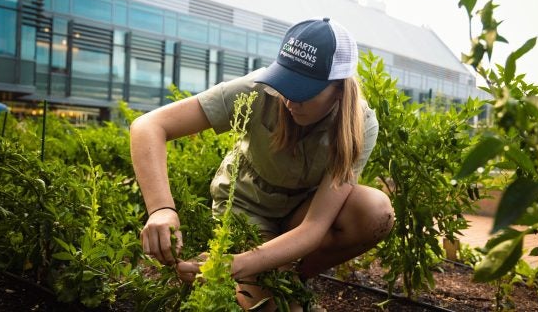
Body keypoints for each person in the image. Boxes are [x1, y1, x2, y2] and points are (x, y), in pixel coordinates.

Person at [130, 17, 395, 310]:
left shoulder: (361, 124)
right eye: (286, 83)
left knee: (375, 211)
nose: (290, 101)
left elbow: (315, 226)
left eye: (304, 91)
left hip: (301, 213)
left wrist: (236, 264)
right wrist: (162, 210)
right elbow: (148, 126)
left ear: (339, 90)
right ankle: (271, 281)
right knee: (275, 309)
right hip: (249, 206)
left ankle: (292, 277)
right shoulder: (257, 89)